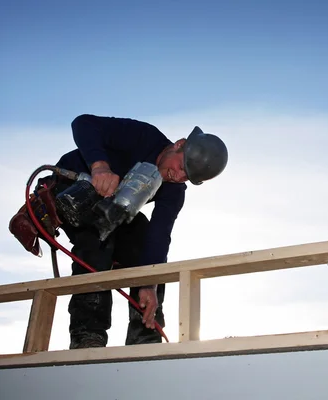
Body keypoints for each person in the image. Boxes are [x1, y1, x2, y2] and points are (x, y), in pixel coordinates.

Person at [51, 114, 228, 349]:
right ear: (179, 144)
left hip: (112, 211)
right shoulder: (144, 137)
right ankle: (88, 334)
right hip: (71, 188)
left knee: (145, 243)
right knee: (99, 238)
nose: (178, 176)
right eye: (181, 167)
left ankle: (144, 336)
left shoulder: (175, 191)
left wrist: (150, 285)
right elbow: (83, 123)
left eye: (188, 177)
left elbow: (159, 236)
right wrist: (99, 166)